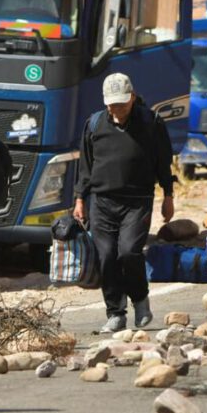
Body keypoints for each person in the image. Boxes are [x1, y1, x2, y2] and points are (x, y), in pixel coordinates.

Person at [73, 73, 175, 333]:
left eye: (120, 103)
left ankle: (140, 300)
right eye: (111, 104)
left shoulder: (151, 122)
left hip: (137, 201)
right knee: (106, 256)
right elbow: (85, 166)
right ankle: (115, 313)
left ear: (132, 98)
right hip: (102, 201)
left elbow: (163, 161)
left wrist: (168, 197)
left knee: (129, 252)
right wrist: (79, 199)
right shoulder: (94, 124)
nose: (115, 109)